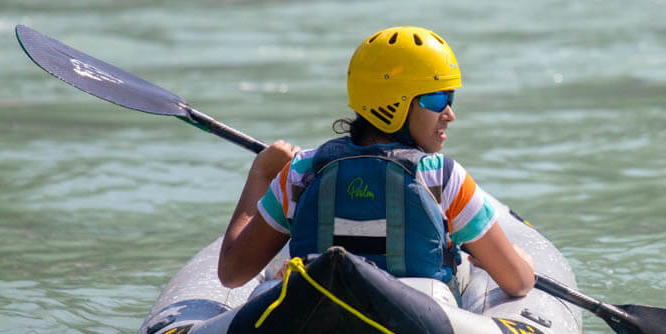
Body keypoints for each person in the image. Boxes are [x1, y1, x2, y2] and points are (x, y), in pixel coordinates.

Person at [217, 26, 535, 298]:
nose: (450, 113)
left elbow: (232, 273)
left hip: (315, 319)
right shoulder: (443, 177)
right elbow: (519, 282)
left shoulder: (301, 172)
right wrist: (522, 260)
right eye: (437, 99)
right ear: (394, 102)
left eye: (450, 98)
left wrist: (261, 174)